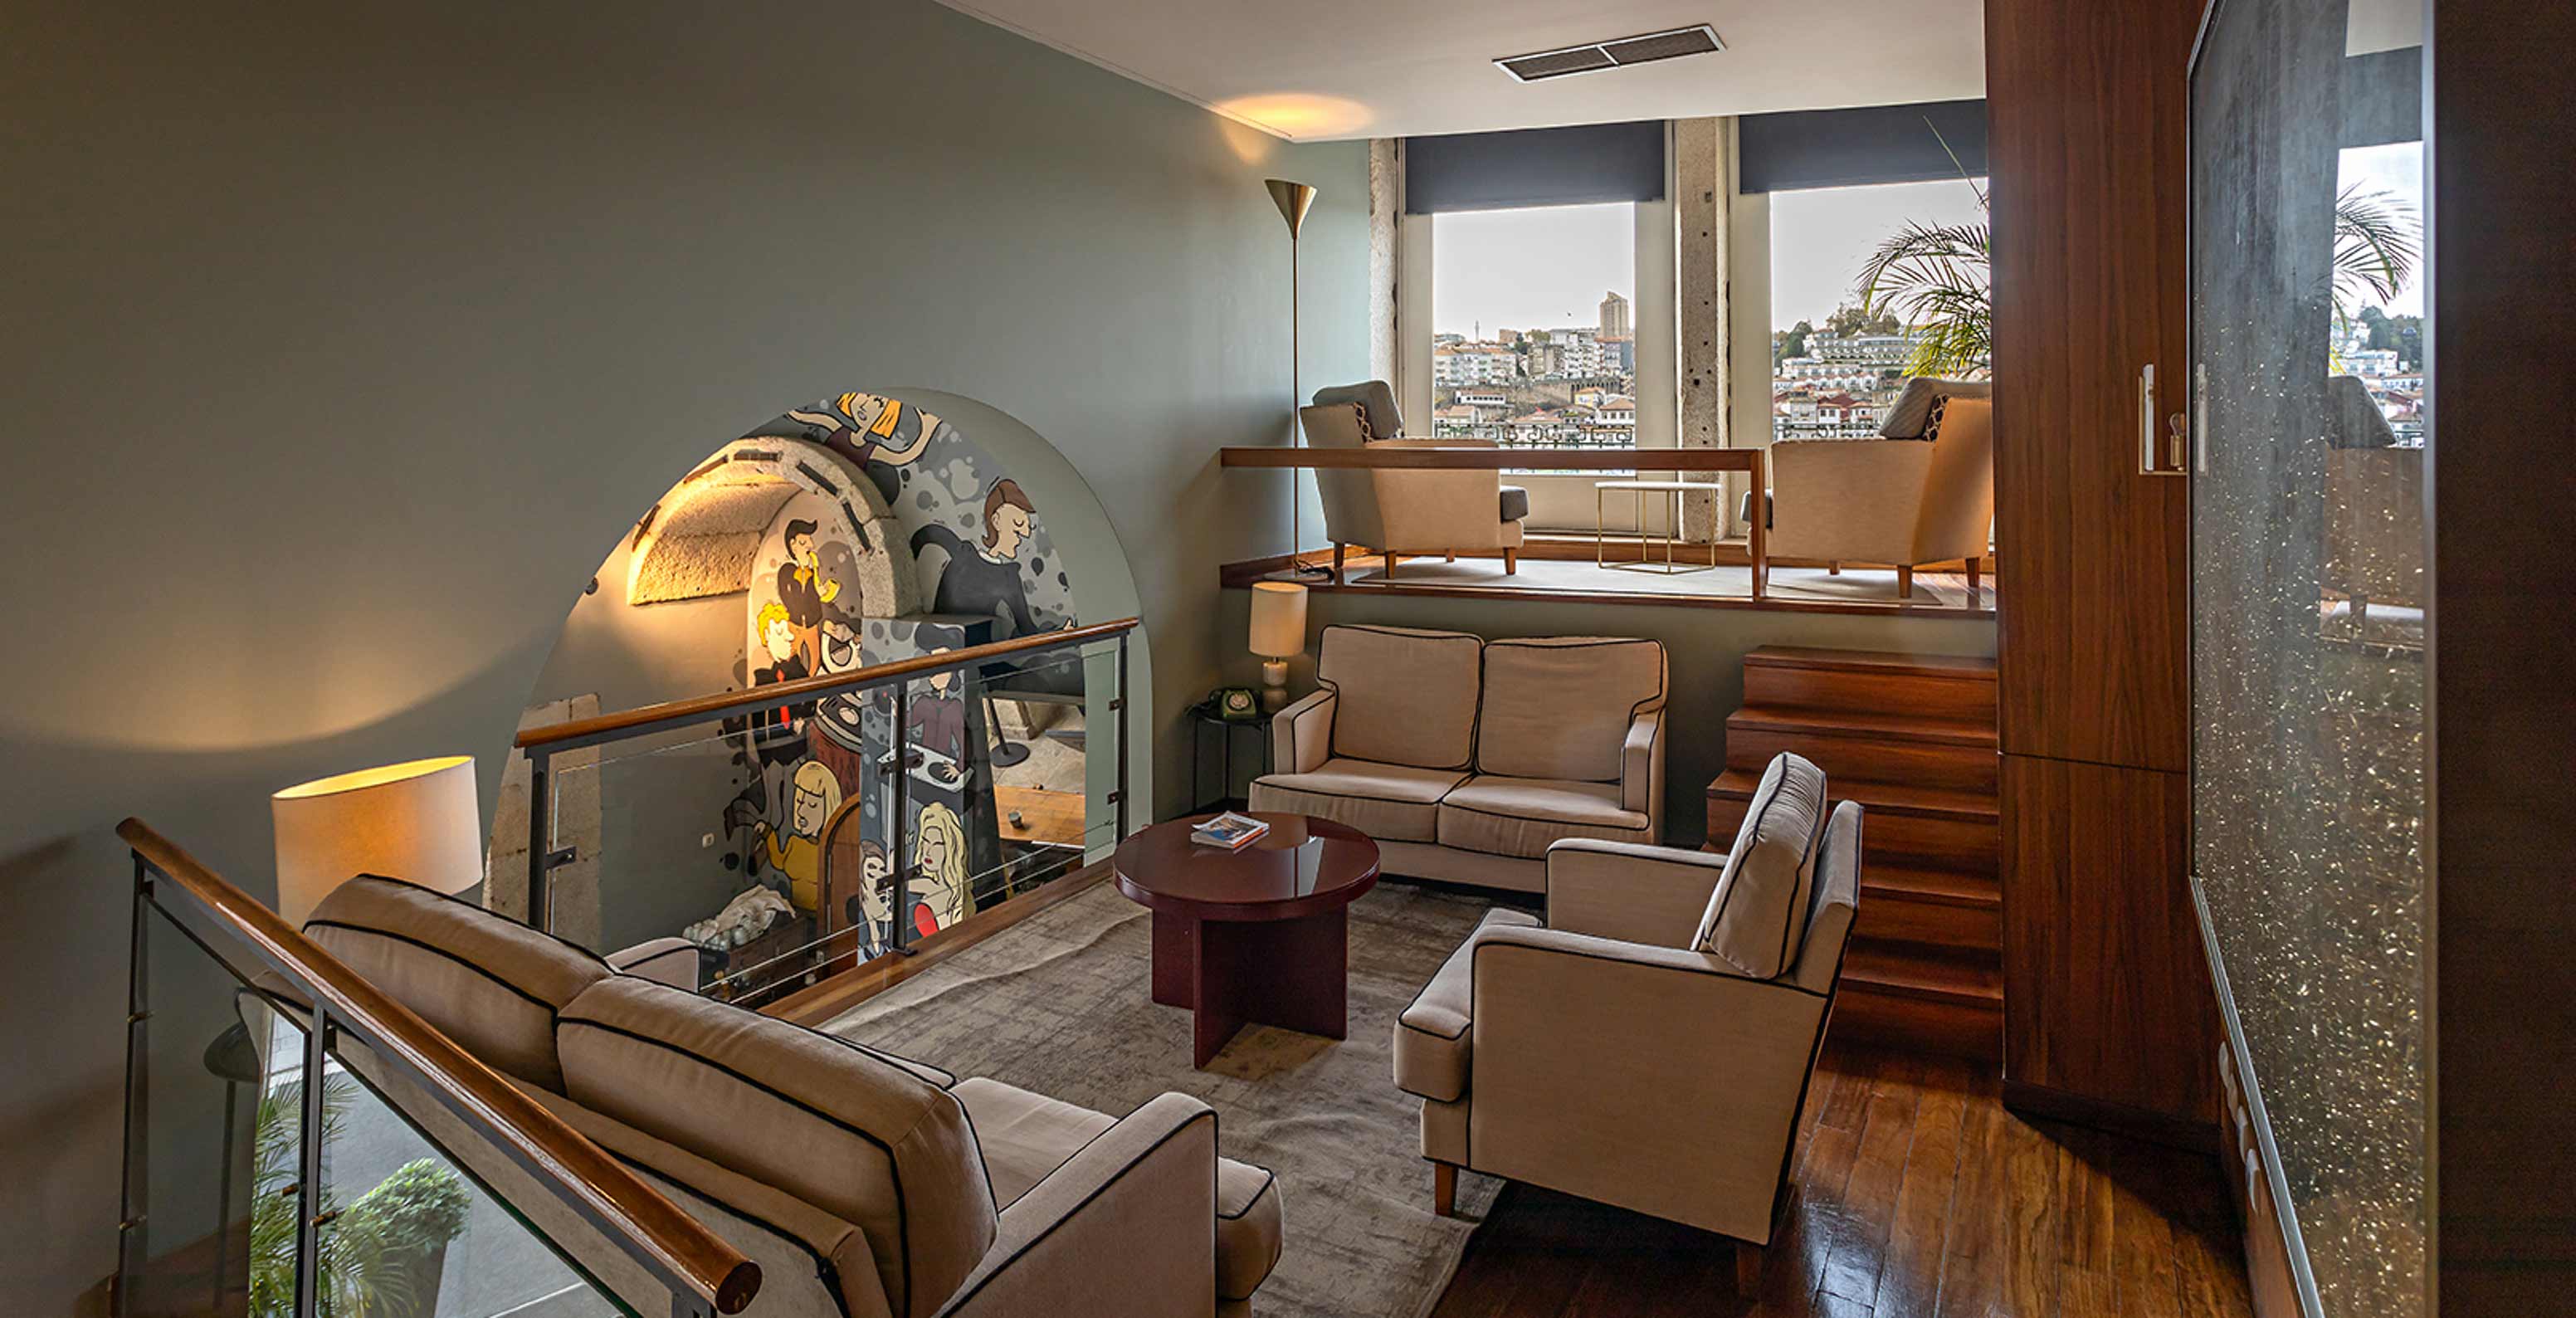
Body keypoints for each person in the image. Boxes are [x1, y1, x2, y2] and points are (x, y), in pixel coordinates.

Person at [731, 759, 840, 913]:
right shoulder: (795, 842)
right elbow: (779, 861)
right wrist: (768, 833)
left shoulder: (831, 850)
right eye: (799, 801)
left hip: (823, 916)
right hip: (797, 910)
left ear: (828, 806)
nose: (802, 811)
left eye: (812, 805)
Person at [774, 519, 841, 672]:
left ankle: (809, 690)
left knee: (815, 658)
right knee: (792, 657)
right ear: (793, 545)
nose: (811, 546)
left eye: (810, 540)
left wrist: (823, 589)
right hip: (795, 622)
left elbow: (820, 595)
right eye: (805, 541)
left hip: (811, 622)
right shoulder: (787, 571)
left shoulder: (813, 574)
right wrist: (794, 611)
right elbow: (785, 594)